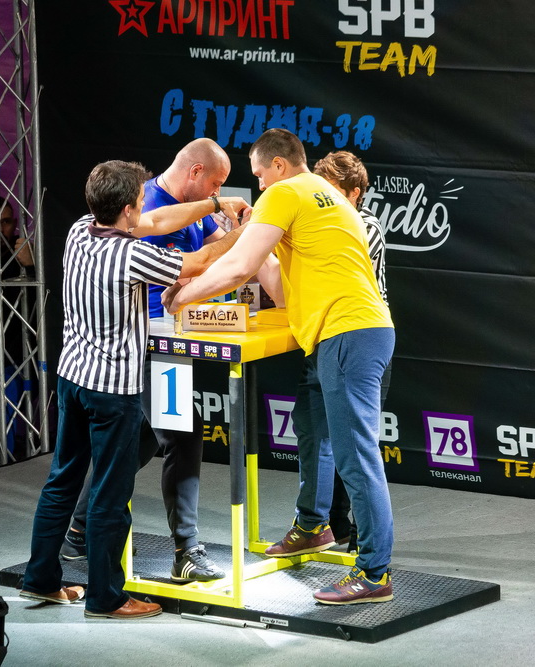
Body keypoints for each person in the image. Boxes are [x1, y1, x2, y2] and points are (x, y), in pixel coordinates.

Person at [163, 129, 396, 605]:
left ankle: (374, 574)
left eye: (259, 175)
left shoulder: (285, 193)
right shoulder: (327, 194)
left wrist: (183, 295)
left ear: (279, 166)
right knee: (346, 450)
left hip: (347, 334)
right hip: (363, 330)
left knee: (357, 459)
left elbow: (237, 268)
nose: (259, 186)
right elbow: (282, 287)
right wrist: (261, 239)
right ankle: (321, 533)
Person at [19, 160, 249, 619]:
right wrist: (247, 230)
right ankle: (106, 598)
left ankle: (40, 580)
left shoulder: (80, 230)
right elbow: (201, 261)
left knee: (62, 481)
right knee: (111, 494)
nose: (146, 206)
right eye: (140, 200)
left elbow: (159, 221)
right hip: (112, 392)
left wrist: (215, 204)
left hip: (72, 380)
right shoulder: (132, 256)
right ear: (127, 209)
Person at [60, 139, 281, 583]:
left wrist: (224, 213)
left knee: (143, 439)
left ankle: (78, 532)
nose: (217, 191)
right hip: (143, 346)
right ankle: (186, 549)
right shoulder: (135, 223)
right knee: (182, 433)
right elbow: (199, 261)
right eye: (215, 184)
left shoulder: (182, 207)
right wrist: (255, 229)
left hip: (158, 344)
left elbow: (219, 249)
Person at [312, 151, 392, 551]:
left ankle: (367, 544)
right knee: (335, 442)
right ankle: (335, 525)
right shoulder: (323, 222)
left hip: (363, 338)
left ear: (355, 192)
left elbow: (327, 258)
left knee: (359, 447)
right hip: (332, 337)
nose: (323, 197)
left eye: (332, 190)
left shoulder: (366, 226)